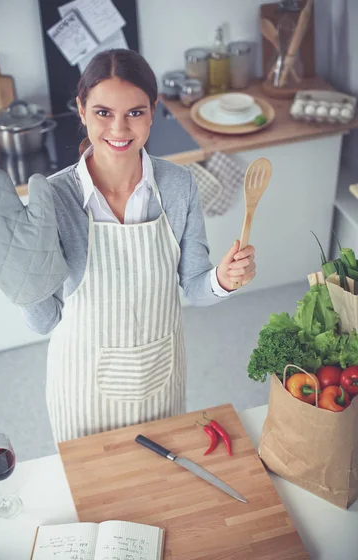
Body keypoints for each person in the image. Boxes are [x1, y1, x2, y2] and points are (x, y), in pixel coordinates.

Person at [22, 49, 256, 443]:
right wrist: (17, 268)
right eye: (102, 113)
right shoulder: (53, 197)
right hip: (82, 387)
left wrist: (224, 278)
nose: (119, 128)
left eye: (134, 112)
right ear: (81, 110)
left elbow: (195, 287)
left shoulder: (179, 185)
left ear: (153, 110)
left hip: (158, 379)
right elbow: (43, 321)